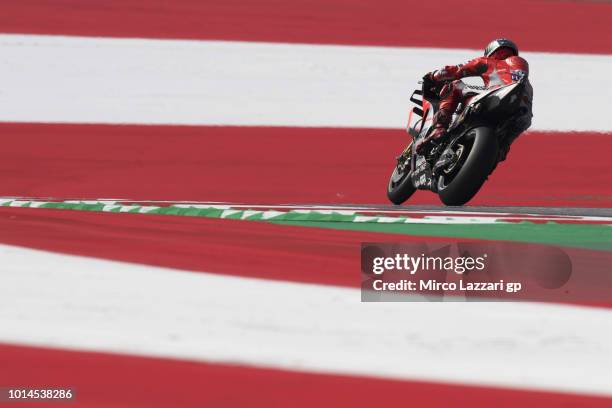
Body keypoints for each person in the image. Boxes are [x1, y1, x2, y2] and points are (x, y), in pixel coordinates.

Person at [416, 38, 532, 154]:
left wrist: (432, 77)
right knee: (500, 151)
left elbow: (454, 70)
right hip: (522, 116)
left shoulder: (488, 62)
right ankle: (498, 151)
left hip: (495, 100)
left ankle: (439, 127)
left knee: (455, 85)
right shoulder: (527, 84)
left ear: (491, 52)